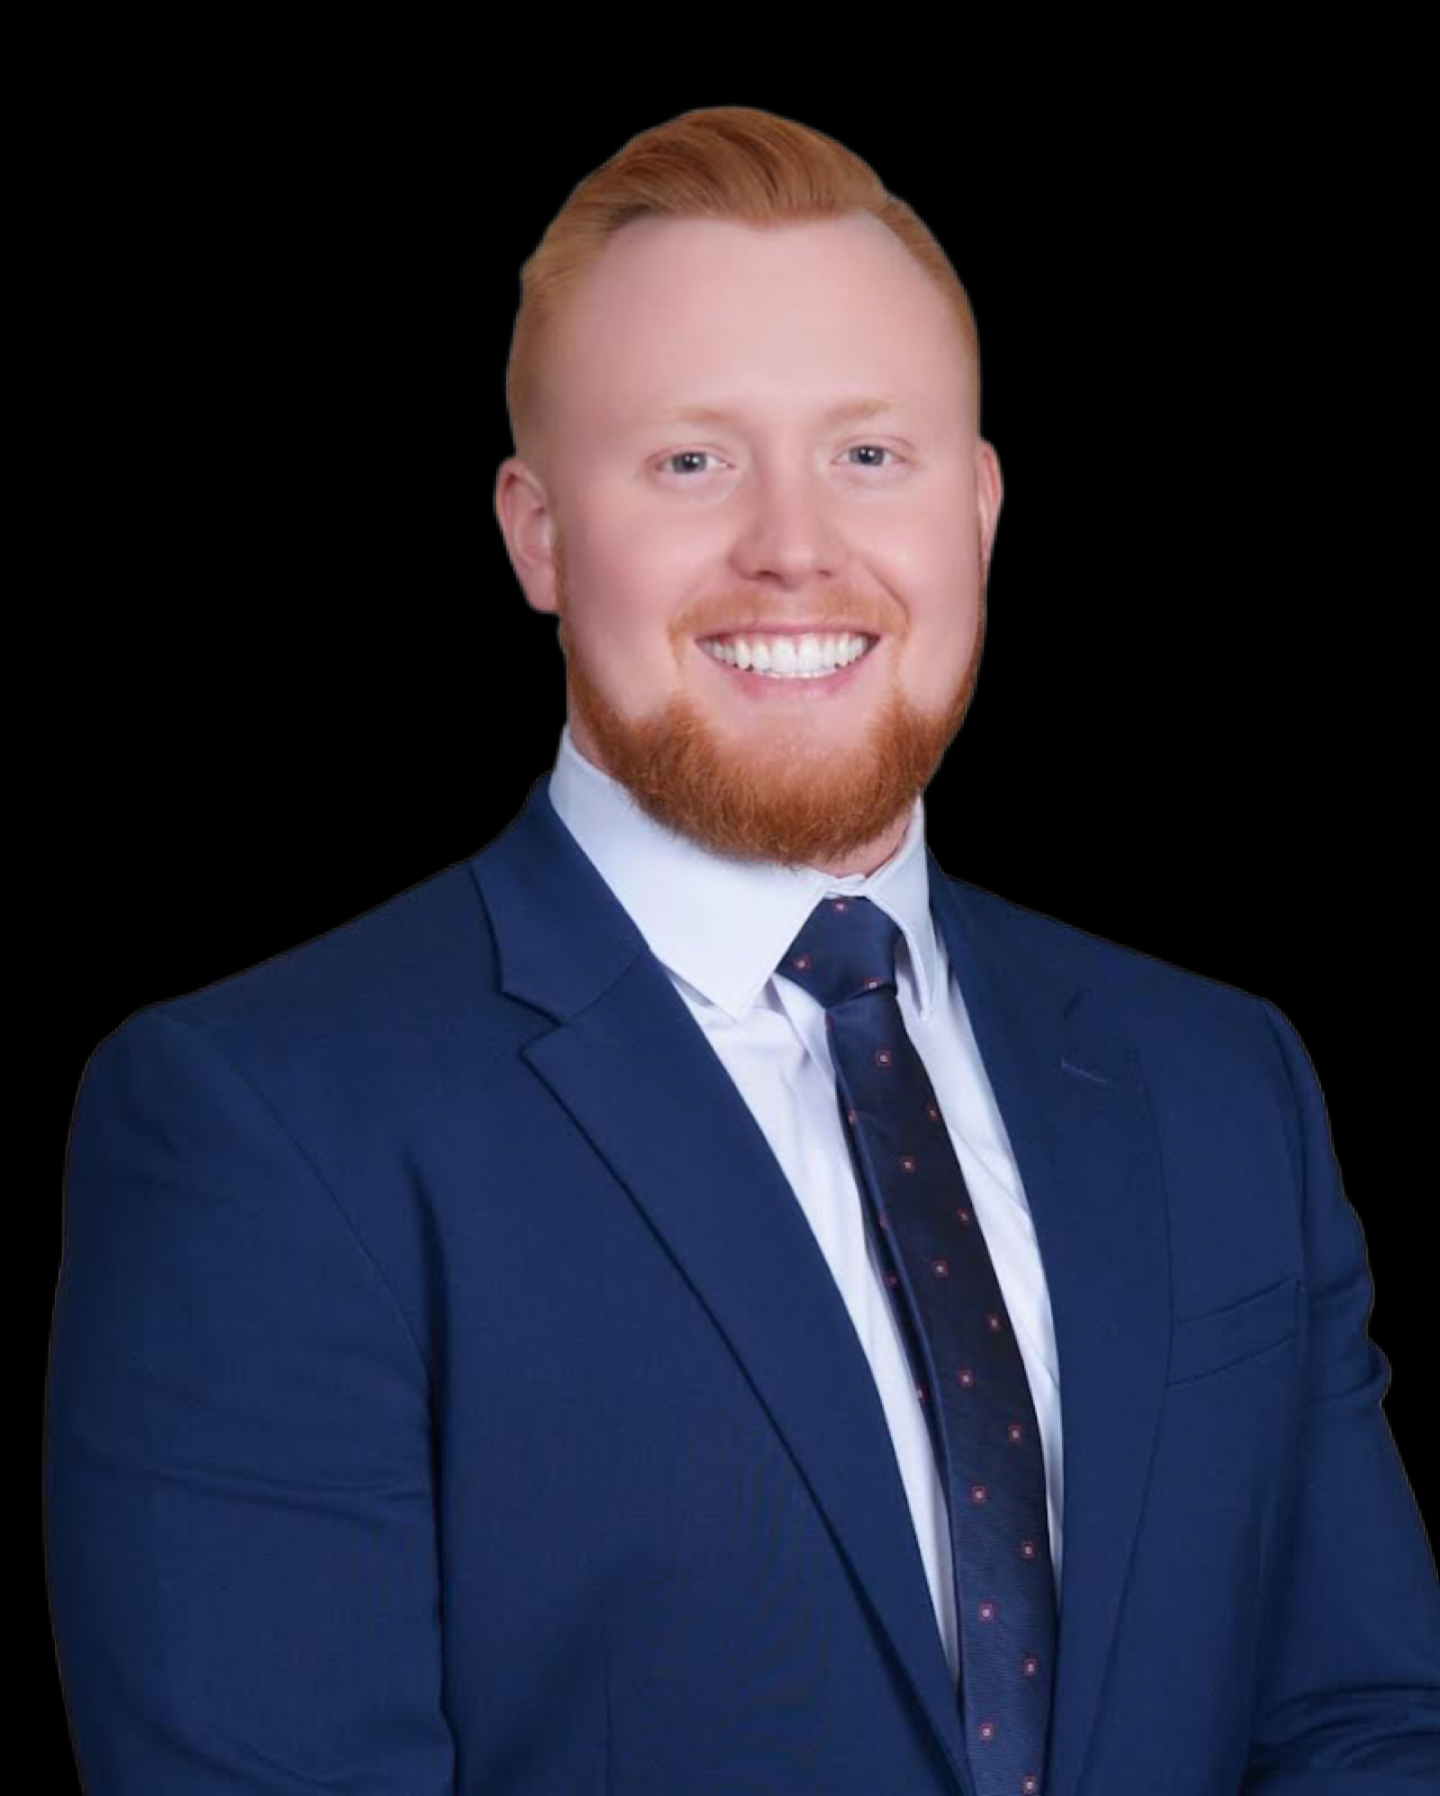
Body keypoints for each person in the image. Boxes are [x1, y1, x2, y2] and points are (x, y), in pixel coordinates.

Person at [44, 104, 1438, 1795]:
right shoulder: (263, 1129)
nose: (796, 542)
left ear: (980, 511)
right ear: (538, 531)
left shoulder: (1229, 1086)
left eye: (871, 454)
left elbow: (1365, 1729)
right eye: (693, 460)